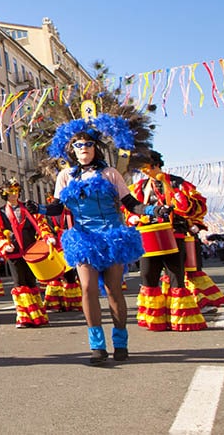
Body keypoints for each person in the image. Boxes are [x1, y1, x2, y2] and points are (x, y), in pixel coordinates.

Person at [45, 120, 146, 364]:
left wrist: (153, 209)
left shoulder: (110, 173)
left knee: (113, 290)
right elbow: (56, 208)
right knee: (88, 288)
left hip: (111, 236)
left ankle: (120, 342)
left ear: (95, 147)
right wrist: (36, 207)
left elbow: (130, 203)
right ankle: (97, 345)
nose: (84, 148)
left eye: (88, 144)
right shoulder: (65, 176)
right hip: (84, 238)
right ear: (72, 149)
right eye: (78, 145)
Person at [129, 152, 207, 331]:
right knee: (148, 276)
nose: (144, 171)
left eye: (146, 167)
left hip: (174, 235)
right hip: (149, 236)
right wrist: (133, 218)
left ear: (155, 165)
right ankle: (155, 320)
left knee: (175, 277)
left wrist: (181, 204)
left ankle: (179, 320)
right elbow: (131, 208)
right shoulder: (139, 187)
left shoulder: (176, 183)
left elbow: (197, 205)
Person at [0, 179, 52, 328]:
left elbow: (40, 225)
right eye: (10, 193)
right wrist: (4, 244)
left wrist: (47, 237)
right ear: (5, 195)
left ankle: (37, 315)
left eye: (15, 192)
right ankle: (24, 316)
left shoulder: (28, 209)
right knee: (19, 283)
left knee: (31, 282)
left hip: (31, 251)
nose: (13, 196)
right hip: (14, 253)